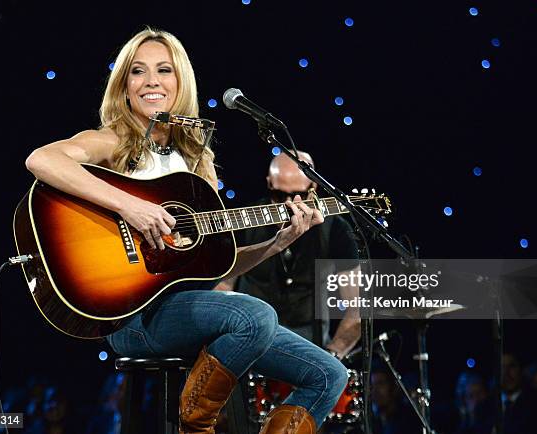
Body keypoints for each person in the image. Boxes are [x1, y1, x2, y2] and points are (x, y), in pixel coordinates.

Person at [24, 27, 348, 434]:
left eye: (164, 70)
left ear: (181, 82)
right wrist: (131, 206)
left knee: (330, 375)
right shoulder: (112, 142)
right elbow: (42, 161)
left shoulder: (198, 162)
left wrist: (277, 242)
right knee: (255, 314)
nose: (151, 81)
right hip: (132, 318)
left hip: (193, 308)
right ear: (124, 86)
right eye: (138, 72)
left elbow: (216, 265)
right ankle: (194, 427)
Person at [217, 151, 361, 359]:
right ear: (268, 183)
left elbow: (356, 309)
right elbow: (222, 289)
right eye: (278, 195)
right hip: (252, 339)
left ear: (314, 188)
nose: (288, 205)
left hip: (310, 344)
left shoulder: (337, 229)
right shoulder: (244, 221)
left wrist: (332, 355)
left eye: (298, 196)